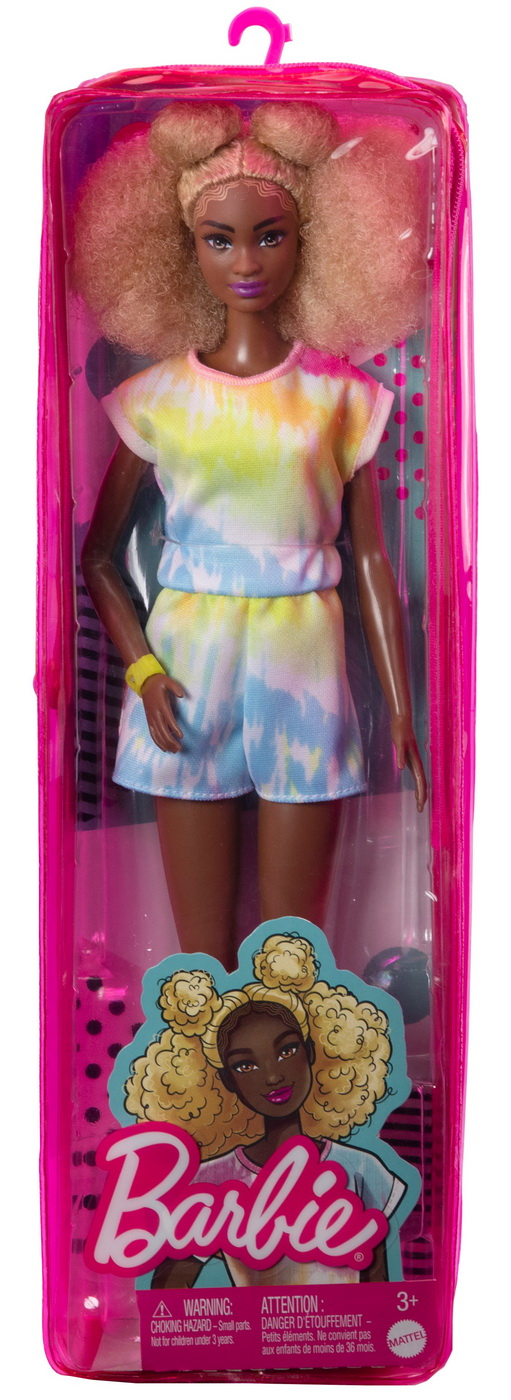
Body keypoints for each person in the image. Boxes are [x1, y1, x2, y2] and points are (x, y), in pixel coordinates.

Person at [74, 102, 427, 969]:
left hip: (302, 656)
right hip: (186, 663)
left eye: (270, 236)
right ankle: (203, 1060)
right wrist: (142, 668)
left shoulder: (340, 397)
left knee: (293, 949)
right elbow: (101, 558)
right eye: (217, 239)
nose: (244, 261)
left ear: (312, 242)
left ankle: (294, 1058)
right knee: (199, 958)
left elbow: (370, 560)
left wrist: (401, 707)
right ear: (180, 250)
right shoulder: (157, 399)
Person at [123, 931, 408, 1287]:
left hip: (343, 1322)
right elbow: (168, 1288)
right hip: (249, 1323)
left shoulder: (361, 1168)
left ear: (312, 1051)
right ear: (226, 1081)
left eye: (287, 1050)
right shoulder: (212, 1181)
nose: (273, 1076)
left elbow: (378, 1282)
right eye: (245, 1065)